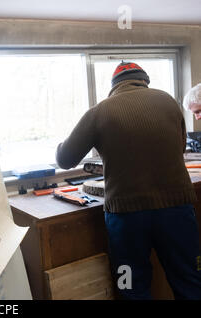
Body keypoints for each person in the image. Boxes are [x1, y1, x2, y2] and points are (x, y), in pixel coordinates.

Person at [56, 61, 201, 299]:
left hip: (127, 217)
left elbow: (65, 160)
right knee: (190, 280)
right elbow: (180, 146)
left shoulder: (99, 111)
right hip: (177, 209)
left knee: (131, 286)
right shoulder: (169, 102)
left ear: (114, 87)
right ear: (144, 81)